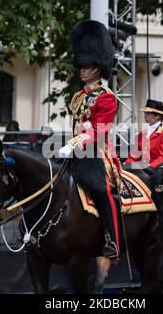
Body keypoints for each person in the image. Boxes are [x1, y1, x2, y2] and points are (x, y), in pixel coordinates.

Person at [57, 20, 121, 259]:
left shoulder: (106, 98)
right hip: (76, 149)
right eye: (81, 66)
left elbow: (98, 131)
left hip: (97, 152)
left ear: (98, 67)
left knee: (100, 190)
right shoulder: (79, 96)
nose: (82, 70)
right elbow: (77, 125)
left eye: (87, 66)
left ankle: (112, 240)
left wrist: (74, 144)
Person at [123, 99, 163, 172]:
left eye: (148, 114)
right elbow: (135, 155)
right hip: (140, 168)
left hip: (155, 169)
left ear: (157, 116)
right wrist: (125, 165)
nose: (145, 116)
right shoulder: (142, 133)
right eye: (145, 114)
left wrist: (149, 167)